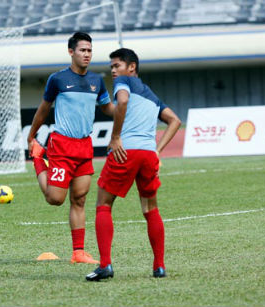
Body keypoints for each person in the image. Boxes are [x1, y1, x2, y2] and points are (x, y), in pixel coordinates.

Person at [86, 48, 181, 281]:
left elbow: (123, 101)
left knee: (103, 204)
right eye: (111, 67)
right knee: (150, 209)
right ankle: (159, 267)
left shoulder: (124, 82)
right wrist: (157, 151)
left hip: (126, 151)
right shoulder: (151, 94)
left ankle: (105, 265)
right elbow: (175, 121)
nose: (113, 71)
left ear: (132, 67)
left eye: (116, 66)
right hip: (148, 155)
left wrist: (116, 136)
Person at [27, 32, 114, 264]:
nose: (87, 54)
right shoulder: (57, 79)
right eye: (83, 50)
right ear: (71, 52)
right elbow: (44, 109)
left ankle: (78, 252)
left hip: (85, 146)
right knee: (55, 199)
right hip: (62, 145)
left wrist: (126, 112)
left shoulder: (97, 80)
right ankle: (38, 159)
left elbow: (107, 108)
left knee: (80, 199)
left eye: (89, 50)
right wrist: (32, 136)